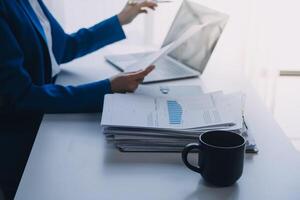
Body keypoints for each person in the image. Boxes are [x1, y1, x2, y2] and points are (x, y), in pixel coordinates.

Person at [0, 0, 157, 199]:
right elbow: (21, 96)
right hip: (23, 138)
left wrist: (120, 20)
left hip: (47, 117)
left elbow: (63, 47)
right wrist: (107, 87)